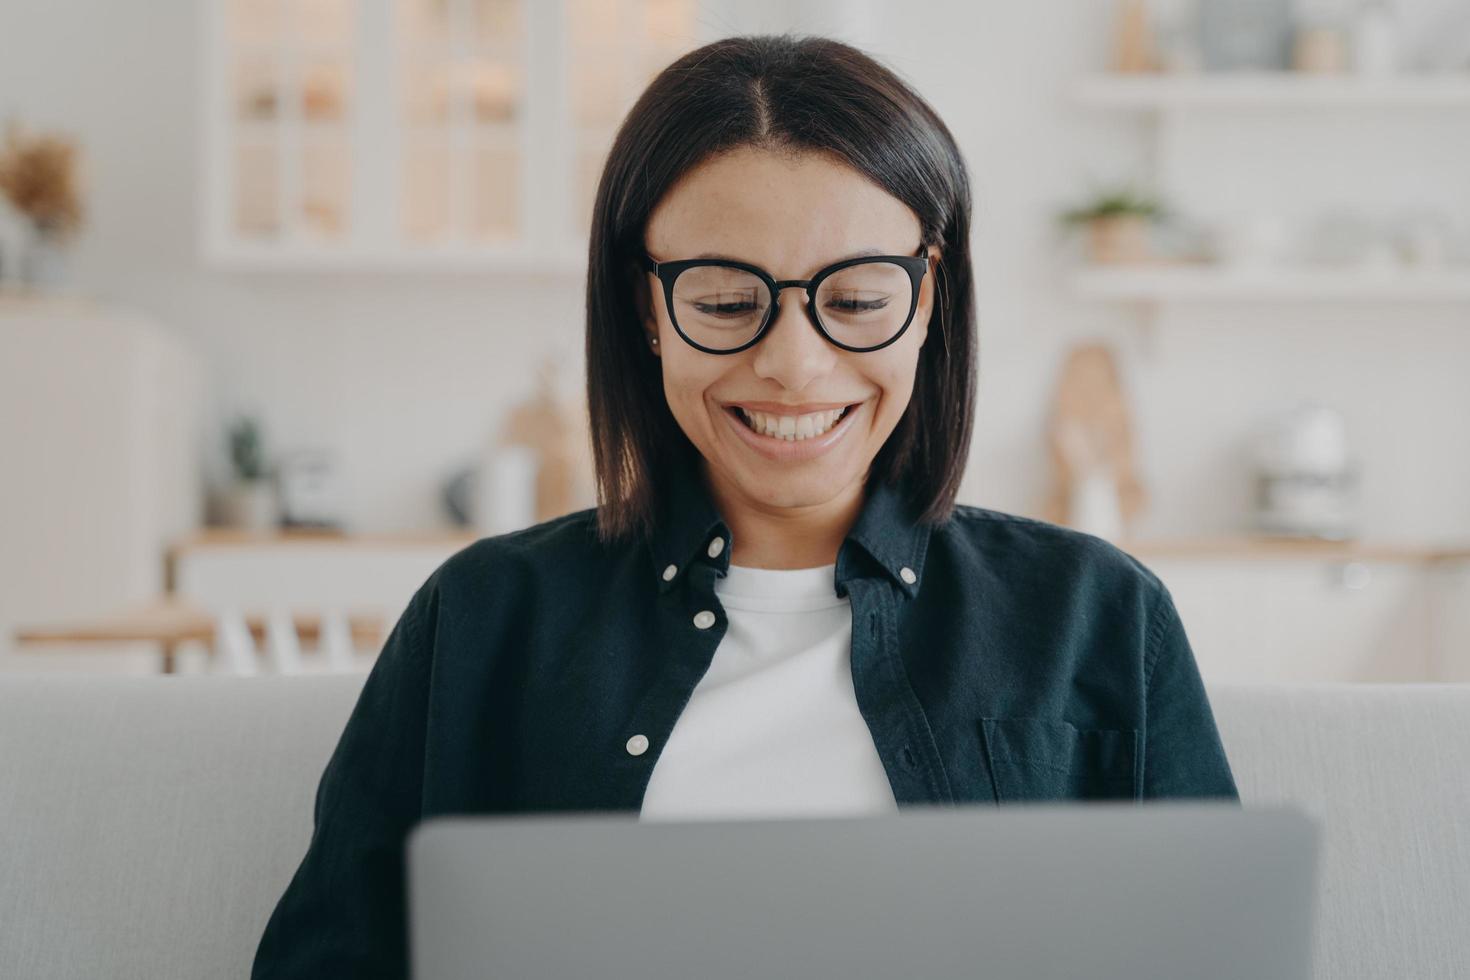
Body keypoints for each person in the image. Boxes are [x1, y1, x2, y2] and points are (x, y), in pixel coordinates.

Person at [251, 33, 1236, 979]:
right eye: (726, 301)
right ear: (646, 308)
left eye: (854, 299)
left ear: (928, 300)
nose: (793, 364)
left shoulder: (1097, 613)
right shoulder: (480, 619)